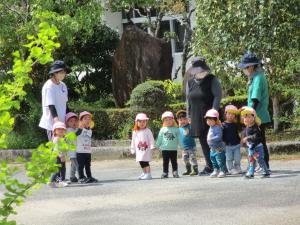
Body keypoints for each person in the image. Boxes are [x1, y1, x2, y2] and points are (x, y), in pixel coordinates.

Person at [185, 57, 222, 175]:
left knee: (213, 140)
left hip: (209, 116)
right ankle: (209, 165)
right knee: (203, 141)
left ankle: (220, 165)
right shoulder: (190, 82)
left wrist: (214, 113)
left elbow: (217, 96)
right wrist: (188, 115)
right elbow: (188, 100)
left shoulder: (212, 79)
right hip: (196, 115)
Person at [237, 52, 271, 171]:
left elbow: (255, 99)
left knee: (260, 142)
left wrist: (249, 114)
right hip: (258, 115)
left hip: (258, 116)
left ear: (251, 66)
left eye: (245, 67)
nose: (244, 69)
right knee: (258, 142)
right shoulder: (257, 76)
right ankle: (262, 164)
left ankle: (265, 165)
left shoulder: (258, 78)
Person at [39, 60, 71, 141]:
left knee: (63, 150)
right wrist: (57, 123)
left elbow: (65, 104)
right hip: (52, 123)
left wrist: (69, 118)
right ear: (55, 73)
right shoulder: (49, 86)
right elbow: (51, 105)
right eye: (61, 72)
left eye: (64, 72)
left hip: (63, 123)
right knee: (55, 149)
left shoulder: (63, 85)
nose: (63, 74)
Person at [241, 107, 270, 179]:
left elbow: (256, 136)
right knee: (251, 160)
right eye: (245, 117)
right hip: (251, 147)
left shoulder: (256, 127)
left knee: (260, 159)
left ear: (254, 118)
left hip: (257, 147)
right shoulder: (246, 128)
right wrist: (244, 142)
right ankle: (251, 173)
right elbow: (244, 137)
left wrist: (248, 138)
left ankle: (265, 172)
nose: (247, 119)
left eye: (249, 117)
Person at [156, 111, 181, 179]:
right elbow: (159, 139)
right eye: (166, 120)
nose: (168, 121)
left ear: (173, 120)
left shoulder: (176, 129)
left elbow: (179, 138)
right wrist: (157, 146)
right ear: (163, 121)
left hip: (174, 149)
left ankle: (175, 172)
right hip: (165, 149)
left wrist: (182, 146)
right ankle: (165, 172)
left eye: (170, 119)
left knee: (174, 162)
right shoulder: (162, 129)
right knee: (165, 162)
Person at [130, 113, 155, 180]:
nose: (142, 123)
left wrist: (152, 146)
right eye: (140, 121)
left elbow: (151, 139)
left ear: (146, 122)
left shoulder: (148, 131)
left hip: (146, 150)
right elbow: (133, 141)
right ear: (136, 122)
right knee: (141, 161)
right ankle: (144, 173)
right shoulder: (135, 131)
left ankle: (148, 174)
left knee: (145, 161)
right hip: (139, 151)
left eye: (144, 121)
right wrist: (132, 148)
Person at [76, 111, 98, 183]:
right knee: (80, 166)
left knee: (88, 165)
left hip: (88, 151)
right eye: (85, 118)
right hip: (80, 151)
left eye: (89, 118)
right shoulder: (79, 130)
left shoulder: (90, 130)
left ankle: (89, 177)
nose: (88, 120)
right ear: (81, 120)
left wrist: (87, 128)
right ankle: (81, 177)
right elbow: (75, 135)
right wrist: (80, 128)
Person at [176, 110, 198, 176]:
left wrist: (191, 123)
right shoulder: (179, 128)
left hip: (191, 146)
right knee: (185, 158)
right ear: (178, 121)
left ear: (188, 119)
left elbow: (194, 128)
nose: (183, 121)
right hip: (183, 147)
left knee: (192, 157)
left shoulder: (190, 126)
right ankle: (188, 169)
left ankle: (195, 169)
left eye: (184, 119)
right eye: (181, 120)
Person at [205, 109, 226, 178]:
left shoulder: (217, 127)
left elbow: (219, 137)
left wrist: (211, 139)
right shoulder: (211, 127)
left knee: (220, 159)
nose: (209, 122)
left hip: (218, 147)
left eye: (211, 120)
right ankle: (216, 170)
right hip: (212, 148)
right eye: (208, 120)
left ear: (216, 120)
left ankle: (222, 170)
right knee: (213, 159)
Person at [222, 105, 242, 175]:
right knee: (229, 158)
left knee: (237, 158)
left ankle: (237, 166)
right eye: (229, 114)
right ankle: (231, 169)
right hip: (227, 145)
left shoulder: (235, 124)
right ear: (225, 114)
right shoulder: (223, 125)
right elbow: (222, 135)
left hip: (236, 144)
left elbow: (238, 132)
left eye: (233, 114)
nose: (231, 116)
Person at [48, 121, 69, 188]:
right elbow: (57, 149)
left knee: (62, 169)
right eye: (59, 129)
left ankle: (59, 181)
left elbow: (64, 148)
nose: (61, 130)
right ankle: (52, 181)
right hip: (57, 157)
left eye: (62, 129)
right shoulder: (56, 139)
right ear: (54, 131)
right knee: (58, 170)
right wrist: (61, 156)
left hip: (61, 156)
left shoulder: (62, 139)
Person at [65, 112, 79, 183]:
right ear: (67, 123)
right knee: (77, 165)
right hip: (72, 152)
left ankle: (72, 176)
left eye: (75, 121)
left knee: (73, 165)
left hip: (76, 151)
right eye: (71, 121)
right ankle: (81, 176)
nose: (73, 123)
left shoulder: (75, 129)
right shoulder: (68, 130)